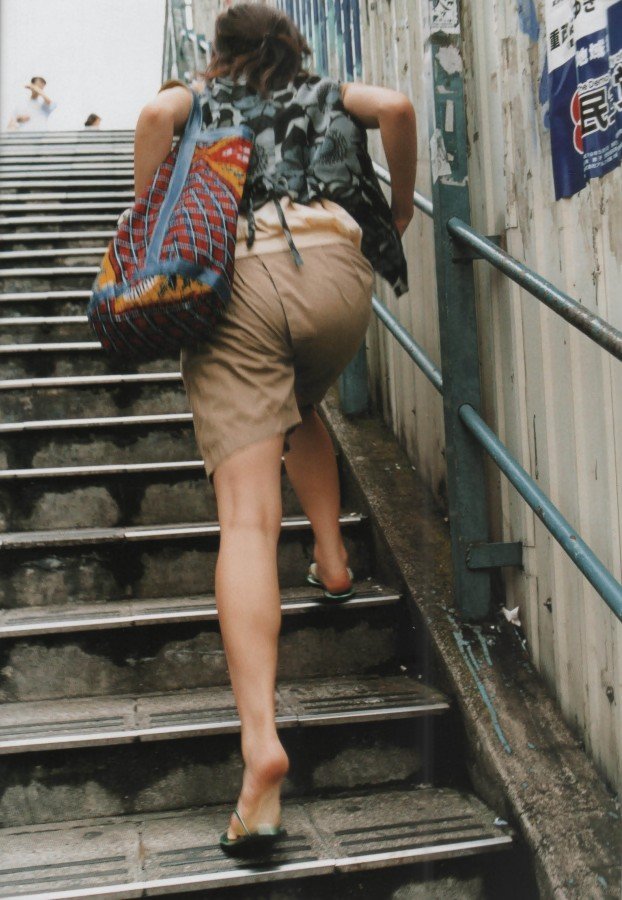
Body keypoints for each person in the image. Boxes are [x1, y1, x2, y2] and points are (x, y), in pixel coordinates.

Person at [133, 2, 417, 856]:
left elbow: (151, 117)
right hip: (338, 280)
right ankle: (333, 561)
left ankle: (261, 748)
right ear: (291, 46)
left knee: (249, 520)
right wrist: (397, 213)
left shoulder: (199, 96)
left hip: (242, 281)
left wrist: (151, 229)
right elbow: (399, 107)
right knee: (299, 406)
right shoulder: (327, 91)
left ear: (219, 52)